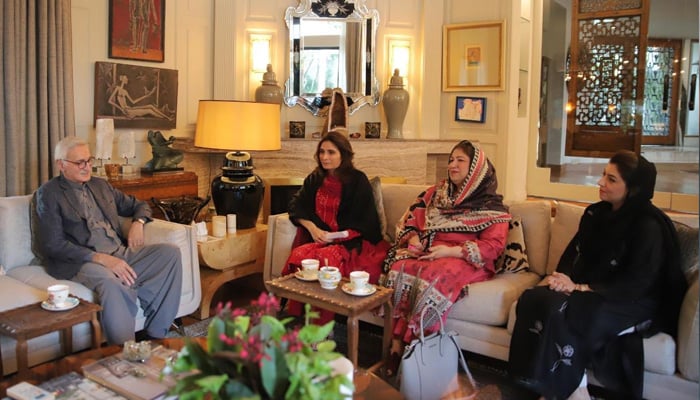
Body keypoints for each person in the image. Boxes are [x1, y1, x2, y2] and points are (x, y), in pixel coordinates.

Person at [508, 150, 687, 400]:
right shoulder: (596, 214)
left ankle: (566, 391)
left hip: (631, 300)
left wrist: (581, 288)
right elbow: (573, 254)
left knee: (570, 312)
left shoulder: (648, 226)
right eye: (604, 175)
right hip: (590, 290)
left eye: (612, 179)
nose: (601, 182)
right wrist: (561, 277)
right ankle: (536, 382)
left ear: (633, 188)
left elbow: (638, 283)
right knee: (534, 298)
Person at [34, 136, 183, 345]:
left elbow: (138, 205)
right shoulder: (49, 193)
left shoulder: (100, 186)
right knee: (111, 282)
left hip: (120, 252)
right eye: (80, 163)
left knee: (170, 253)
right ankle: (123, 352)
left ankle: (156, 335)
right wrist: (101, 259)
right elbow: (52, 245)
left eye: (89, 160)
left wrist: (138, 223)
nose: (87, 167)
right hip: (82, 261)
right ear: (61, 165)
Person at [382, 140, 511, 376]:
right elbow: (412, 218)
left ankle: (418, 349)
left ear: (475, 168)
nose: (452, 165)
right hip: (432, 251)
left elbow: (493, 247)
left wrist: (452, 251)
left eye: (460, 160)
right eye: (451, 160)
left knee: (434, 275)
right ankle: (396, 344)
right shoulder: (436, 193)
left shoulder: (492, 205)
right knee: (400, 266)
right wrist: (414, 239)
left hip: (465, 259)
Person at [281, 131, 390, 323]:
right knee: (299, 256)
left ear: (343, 155)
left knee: (325, 263)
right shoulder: (315, 179)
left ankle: (321, 327)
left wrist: (335, 237)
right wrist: (313, 228)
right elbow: (295, 206)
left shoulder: (358, 180)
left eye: (331, 152)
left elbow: (367, 222)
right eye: (322, 152)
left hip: (351, 242)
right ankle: (301, 319)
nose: (325, 157)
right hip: (320, 238)